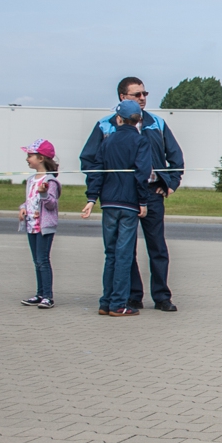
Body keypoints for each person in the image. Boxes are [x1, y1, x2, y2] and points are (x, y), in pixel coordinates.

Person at [79, 77, 185, 312]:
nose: (142, 98)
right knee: (125, 248)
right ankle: (132, 295)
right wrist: (101, 188)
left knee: (157, 247)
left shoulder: (156, 123)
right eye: (137, 94)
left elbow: (175, 156)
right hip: (124, 196)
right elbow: (89, 160)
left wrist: (170, 183)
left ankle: (161, 296)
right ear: (122, 97)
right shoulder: (105, 126)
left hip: (152, 193)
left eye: (145, 94)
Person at [82, 100, 154, 317]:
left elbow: (97, 171)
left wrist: (91, 198)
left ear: (118, 119)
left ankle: (105, 302)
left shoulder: (108, 141)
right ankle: (118, 304)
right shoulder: (141, 142)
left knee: (110, 254)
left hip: (109, 203)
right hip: (129, 204)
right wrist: (143, 202)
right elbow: (142, 174)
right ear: (138, 120)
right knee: (124, 254)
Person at [18, 139, 61, 309]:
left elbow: (51, 204)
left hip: (44, 226)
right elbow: (29, 200)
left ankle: (48, 296)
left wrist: (44, 194)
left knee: (43, 260)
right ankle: (39, 293)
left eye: (30, 156)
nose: (27, 159)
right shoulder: (30, 180)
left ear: (41, 158)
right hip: (31, 225)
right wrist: (23, 208)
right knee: (36, 260)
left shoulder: (50, 181)